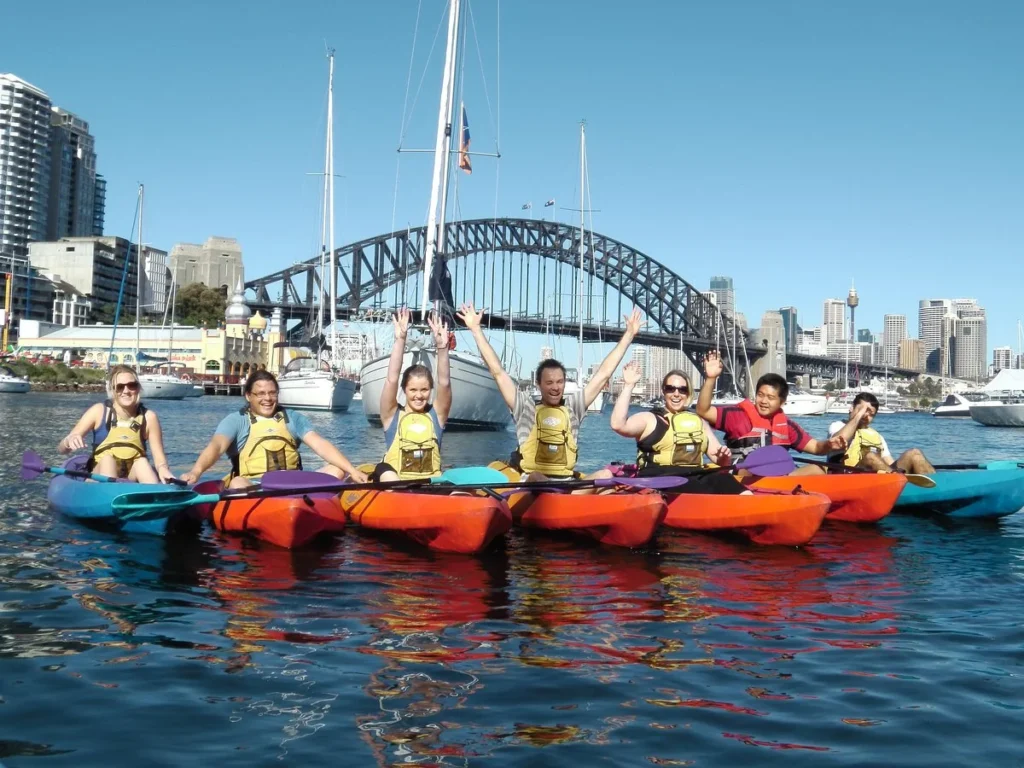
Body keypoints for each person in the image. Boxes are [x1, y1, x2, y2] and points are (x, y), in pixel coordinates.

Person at [458, 302, 643, 481]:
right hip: (533, 485)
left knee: (606, 475)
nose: (555, 387)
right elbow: (498, 372)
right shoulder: (524, 407)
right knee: (537, 477)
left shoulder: (574, 408)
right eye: (549, 382)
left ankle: (573, 502)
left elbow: (602, 375)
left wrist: (628, 335)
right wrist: (476, 329)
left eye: (560, 382)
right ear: (539, 384)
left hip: (566, 482)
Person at [179, 370, 367, 489]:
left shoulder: (291, 418)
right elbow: (216, 447)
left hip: (293, 484)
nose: (267, 398)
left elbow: (319, 444)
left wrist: (352, 469)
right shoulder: (236, 420)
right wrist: (196, 472)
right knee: (236, 483)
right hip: (254, 485)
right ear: (248, 396)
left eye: (272, 392)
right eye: (260, 393)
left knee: (337, 470)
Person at [694, 350, 845, 475]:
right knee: (755, 468)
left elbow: (816, 448)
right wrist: (711, 378)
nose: (764, 401)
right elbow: (703, 411)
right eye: (760, 395)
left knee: (817, 470)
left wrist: (829, 445)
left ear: (782, 402)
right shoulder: (737, 415)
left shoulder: (787, 426)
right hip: (744, 476)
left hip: (780, 479)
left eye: (771, 397)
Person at [610, 361, 749, 494]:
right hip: (658, 478)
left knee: (725, 479)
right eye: (671, 389)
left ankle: (749, 505)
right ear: (664, 391)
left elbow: (720, 461)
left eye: (682, 390)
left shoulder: (698, 421)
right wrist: (629, 385)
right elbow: (618, 425)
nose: (676, 394)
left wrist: (724, 457)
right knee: (693, 485)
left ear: (688, 393)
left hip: (693, 474)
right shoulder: (650, 419)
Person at [58, 365, 174, 483]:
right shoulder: (98, 411)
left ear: (138, 388)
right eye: (120, 387)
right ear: (113, 390)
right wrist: (69, 440)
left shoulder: (149, 417)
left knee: (142, 462)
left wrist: (162, 469)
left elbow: (160, 460)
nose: (126, 391)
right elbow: (62, 449)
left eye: (131, 385)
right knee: (108, 459)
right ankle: (108, 494)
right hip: (99, 473)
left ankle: (154, 497)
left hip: (131, 474)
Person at [373, 308, 452, 482]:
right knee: (385, 471)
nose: (419, 396)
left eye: (424, 390)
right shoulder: (391, 415)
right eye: (413, 390)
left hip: (428, 486)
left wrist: (442, 347)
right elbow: (391, 379)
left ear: (431, 390)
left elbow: (444, 383)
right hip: (396, 486)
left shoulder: (436, 416)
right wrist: (400, 339)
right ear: (405, 390)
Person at [828, 392, 935, 474]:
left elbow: (889, 462)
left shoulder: (877, 436)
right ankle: (896, 481)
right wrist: (858, 415)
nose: (866, 416)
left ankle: (937, 488)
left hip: (881, 477)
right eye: (863, 410)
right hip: (847, 476)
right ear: (852, 408)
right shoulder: (837, 426)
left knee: (914, 453)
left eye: (871, 414)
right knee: (870, 456)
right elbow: (838, 440)